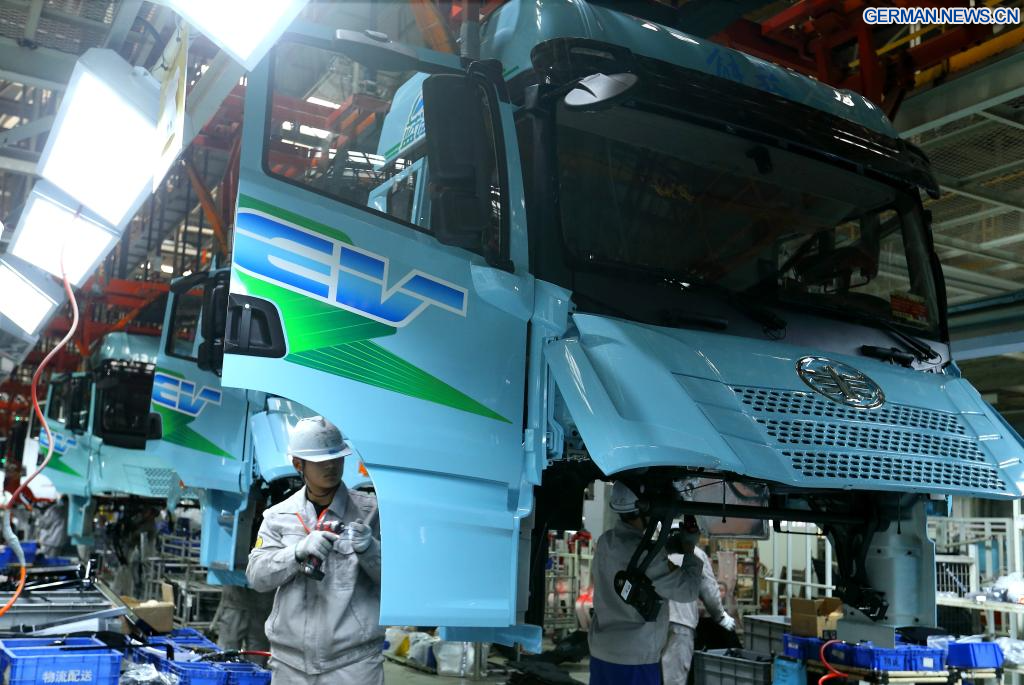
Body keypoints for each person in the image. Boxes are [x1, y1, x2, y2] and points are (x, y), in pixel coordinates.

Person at [247, 417, 383, 685]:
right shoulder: (279, 516)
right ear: (299, 464)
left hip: (354, 662)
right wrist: (295, 553)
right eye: (321, 461)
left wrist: (371, 550)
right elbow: (257, 577)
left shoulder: (371, 512)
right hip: (290, 663)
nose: (331, 466)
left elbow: (399, 582)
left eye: (337, 458)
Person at [589, 482, 705, 685]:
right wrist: (689, 548)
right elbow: (687, 591)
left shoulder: (606, 542)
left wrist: (668, 547)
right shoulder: (645, 555)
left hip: (602, 652)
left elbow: (636, 556)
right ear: (645, 508)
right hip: (635, 658)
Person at [660, 539, 736, 684]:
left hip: (652, 623)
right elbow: (708, 591)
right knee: (674, 678)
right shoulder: (696, 554)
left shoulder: (654, 549)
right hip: (680, 623)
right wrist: (720, 616)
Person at [37, 495, 70, 559]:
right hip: (61, 541)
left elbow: (44, 524)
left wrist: (41, 514)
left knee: (47, 560)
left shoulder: (54, 509)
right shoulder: (69, 510)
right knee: (54, 559)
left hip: (50, 540)